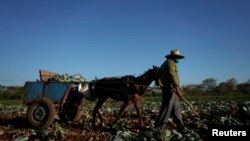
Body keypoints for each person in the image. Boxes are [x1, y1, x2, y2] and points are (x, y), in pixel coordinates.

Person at [154, 49, 187, 131]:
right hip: (171, 90)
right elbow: (172, 76)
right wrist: (177, 88)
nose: (178, 59)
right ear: (173, 57)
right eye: (177, 57)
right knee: (166, 109)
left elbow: (156, 76)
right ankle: (158, 129)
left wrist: (160, 85)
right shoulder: (170, 63)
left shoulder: (164, 64)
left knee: (176, 110)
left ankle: (182, 127)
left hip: (171, 90)